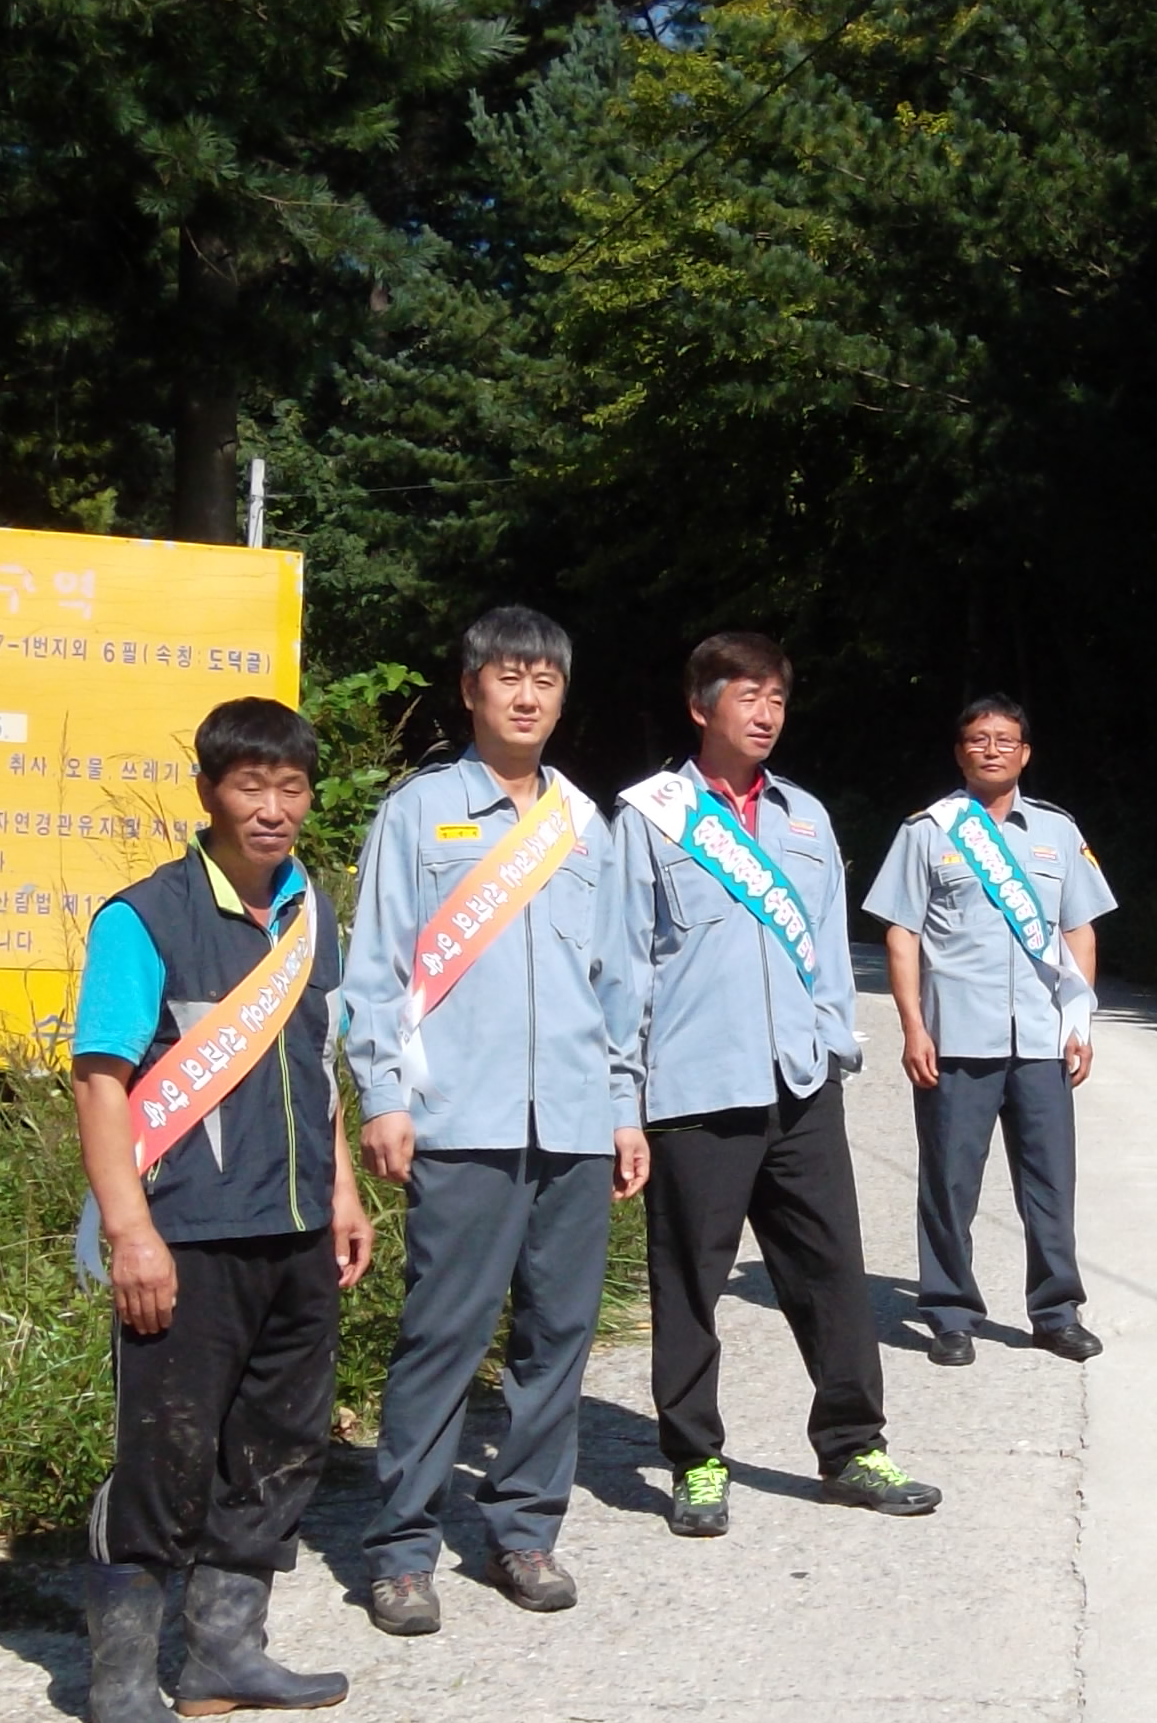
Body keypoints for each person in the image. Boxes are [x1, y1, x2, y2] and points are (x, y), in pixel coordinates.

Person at [67, 696, 376, 1723]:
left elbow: (317, 1067)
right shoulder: (143, 918)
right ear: (208, 792)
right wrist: (130, 1233)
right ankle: (120, 1677)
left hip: (295, 1230)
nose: (273, 808)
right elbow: (100, 1084)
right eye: (252, 785)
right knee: (165, 1452)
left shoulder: (311, 915)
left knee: (281, 1446)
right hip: (187, 1234)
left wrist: (341, 1191)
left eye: (292, 788)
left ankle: (224, 1654)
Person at [337, 607, 650, 1634]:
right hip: (458, 1121)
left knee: (557, 1338)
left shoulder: (586, 825)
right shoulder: (417, 813)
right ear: (471, 689)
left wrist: (624, 1109)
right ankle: (402, 1551)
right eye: (508, 677)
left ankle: (526, 1531)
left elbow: (617, 981)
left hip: (573, 1122)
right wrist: (384, 1095)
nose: (526, 696)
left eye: (544, 681)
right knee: (443, 1334)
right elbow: (375, 968)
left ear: (562, 698)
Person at [617, 632, 940, 1536]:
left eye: (777, 700)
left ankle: (853, 1447)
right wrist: (622, 1098)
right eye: (747, 696)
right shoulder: (649, 818)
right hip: (695, 1090)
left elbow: (830, 945)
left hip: (800, 1086)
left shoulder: (805, 818)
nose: (765, 715)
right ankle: (695, 1458)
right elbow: (623, 965)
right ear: (701, 706)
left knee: (831, 1271)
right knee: (690, 1282)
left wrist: (832, 1045)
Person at [863, 695, 1114, 1367]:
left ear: (1025, 753)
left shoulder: (1058, 831)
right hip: (956, 1039)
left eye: (1005, 739)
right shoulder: (926, 832)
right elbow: (901, 934)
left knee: (1050, 1183)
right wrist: (913, 1027)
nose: (992, 749)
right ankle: (950, 1313)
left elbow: (1079, 930)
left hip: (1039, 1039)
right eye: (978, 739)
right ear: (959, 752)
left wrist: (1079, 1023)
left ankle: (1056, 1312)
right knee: (949, 1183)